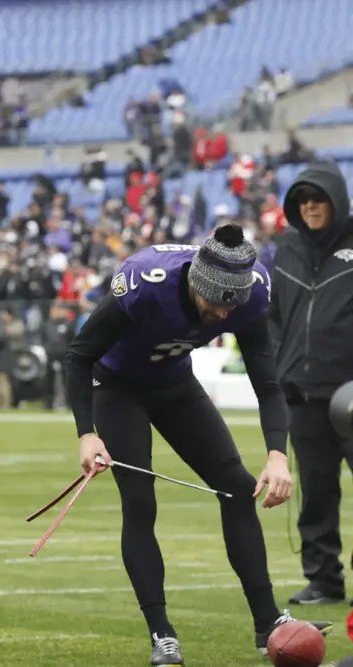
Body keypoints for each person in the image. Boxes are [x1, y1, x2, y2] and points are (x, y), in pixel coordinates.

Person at [64, 225, 330, 665]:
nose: (225, 315)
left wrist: (277, 455)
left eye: (234, 305)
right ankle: (162, 634)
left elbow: (267, 382)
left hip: (174, 383)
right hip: (115, 388)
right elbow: (78, 354)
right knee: (140, 503)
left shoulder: (251, 291)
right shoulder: (145, 282)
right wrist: (86, 432)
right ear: (194, 284)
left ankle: (267, 623)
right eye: (216, 303)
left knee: (237, 486)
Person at [269, 161, 353, 605]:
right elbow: (273, 316)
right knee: (316, 494)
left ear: (337, 200)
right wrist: (280, 365)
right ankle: (324, 578)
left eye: (318, 198)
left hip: (352, 393)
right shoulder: (287, 248)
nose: (310, 206)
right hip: (303, 394)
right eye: (302, 199)